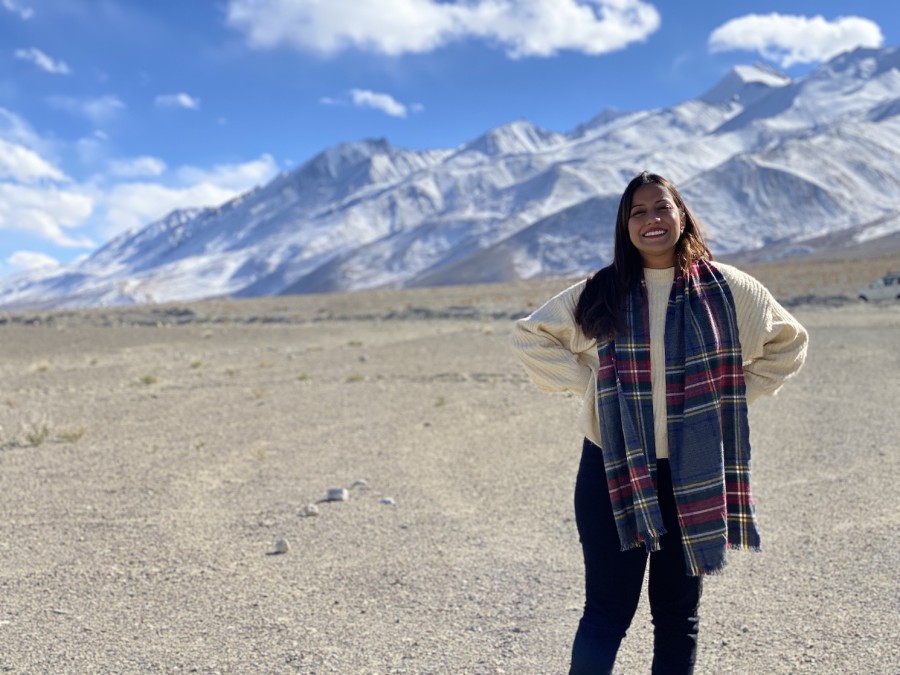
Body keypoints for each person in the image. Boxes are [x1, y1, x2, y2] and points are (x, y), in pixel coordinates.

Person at [509, 172, 808, 674]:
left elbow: (789, 342)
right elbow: (530, 337)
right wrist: (592, 386)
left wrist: (728, 397)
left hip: (690, 473)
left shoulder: (728, 288)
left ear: (681, 214)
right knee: (606, 613)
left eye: (661, 207)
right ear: (625, 227)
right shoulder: (600, 291)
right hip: (612, 469)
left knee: (677, 616)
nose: (652, 220)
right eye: (638, 212)